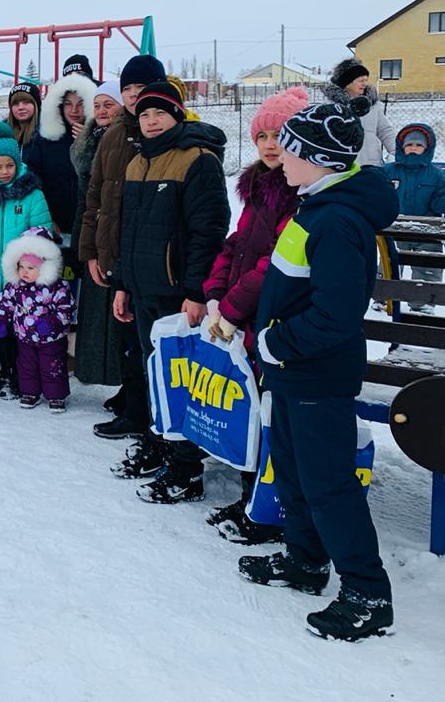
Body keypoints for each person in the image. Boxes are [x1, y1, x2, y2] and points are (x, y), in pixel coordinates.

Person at [238, 101, 398, 642]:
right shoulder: (314, 204)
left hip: (316, 373)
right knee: (294, 472)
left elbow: (336, 314)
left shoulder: (337, 221)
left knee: (329, 483)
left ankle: (367, 593)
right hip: (291, 372)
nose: (280, 157)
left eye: (291, 149)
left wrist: (276, 342)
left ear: (320, 159)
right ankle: (305, 562)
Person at [112, 81, 230, 504]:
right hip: (143, 289)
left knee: (180, 379)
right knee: (153, 375)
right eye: (144, 115)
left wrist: (198, 290)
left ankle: (186, 466)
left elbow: (209, 231)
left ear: (178, 115)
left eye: (160, 113)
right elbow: (128, 232)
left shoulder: (198, 160)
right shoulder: (137, 162)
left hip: (178, 294)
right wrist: (123, 283)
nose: (151, 121)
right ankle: (159, 444)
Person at [201, 86, 307, 544]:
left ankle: (269, 509)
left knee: (271, 417)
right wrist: (213, 291)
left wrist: (230, 306)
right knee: (251, 409)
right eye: (262, 134)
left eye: (279, 135)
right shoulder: (260, 187)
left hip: (276, 319)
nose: (269, 144)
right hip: (246, 315)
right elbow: (238, 244)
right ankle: (253, 497)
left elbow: (274, 266)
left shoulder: (298, 195)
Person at [81, 54, 164, 434]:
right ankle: (134, 409)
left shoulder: (161, 131)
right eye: (127, 89)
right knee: (129, 338)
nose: (133, 96)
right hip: (116, 252)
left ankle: (153, 417)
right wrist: (92, 253)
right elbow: (95, 198)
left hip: (156, 259)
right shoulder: (115, 134)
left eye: (140, 88)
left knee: (152, 343)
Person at [0, 121, 54, 398]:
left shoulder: (32, 195)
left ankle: (22, 374)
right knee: (0, 329)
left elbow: (42, 233)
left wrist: (32, 267)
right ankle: (5, 370)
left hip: (22, 278)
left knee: (23, 330)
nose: (4, 172)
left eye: (9, 166)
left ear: (17, 164)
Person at [68, 80, 125, 393]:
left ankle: (116, 375)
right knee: (94, 304)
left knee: (115, 308)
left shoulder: (123, 141)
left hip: (112, 232)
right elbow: (85, 198)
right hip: (90, 227)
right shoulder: (88, 140)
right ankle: (95, 370)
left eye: (109, 104)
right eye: (98, 105)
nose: (102, 111)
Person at [0, 226, 76, 411]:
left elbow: (66, 308)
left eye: (30, 268)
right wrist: (0, 321)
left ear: (45, 266)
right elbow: (4, 304)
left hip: (51, 338)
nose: (24, 272)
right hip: (24, 337)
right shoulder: (14, 286)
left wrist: (51, 323)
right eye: (21, 267)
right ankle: (30, 392)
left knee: (52, 367)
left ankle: (56, 396)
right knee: (26, 367)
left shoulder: (57, 286)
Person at [24, 72, 97, 237]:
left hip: (89, 224)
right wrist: (46, 217)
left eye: (80, 104)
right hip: (54, 222)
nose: (74, 110)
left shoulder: (100, 137)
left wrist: (87, 141)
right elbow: (34, 180)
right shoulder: (46, 139)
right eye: (68, 104)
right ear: (59, 106)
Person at [385, 123, 445, 309]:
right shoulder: (389, 171)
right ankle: (384, 297)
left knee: (427, 266)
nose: (413, 148)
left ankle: (423, 303)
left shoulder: (436, 176)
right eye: (409, 145)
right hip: (395, 227)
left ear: (427, 148)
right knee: (388, 264)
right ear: (402, 147)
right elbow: (378, 195)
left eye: (418, 146)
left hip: (427, 229)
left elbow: (439, 202)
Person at [322, 59, 394, 167]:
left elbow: (385, 130)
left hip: (372, 164)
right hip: (344, 167)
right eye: (361, 80)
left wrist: (396, 151)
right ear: (347, 82)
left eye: (366, 80)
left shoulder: (372, 104)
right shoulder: (331, 107)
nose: (365, 84)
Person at [4, 80, 41, 153]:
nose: (20, 107)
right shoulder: (2, 136)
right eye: (15, 103)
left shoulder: (46, 135)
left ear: (36, 105)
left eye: (26, 102)